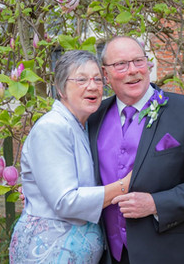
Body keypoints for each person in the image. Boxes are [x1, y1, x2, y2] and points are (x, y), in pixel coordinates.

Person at [87, 36, 184, 264]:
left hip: (170, 252)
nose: (133, 70)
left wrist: (156, 204)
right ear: (105, 75)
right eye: (121, 64)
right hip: (109, 254)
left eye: (138, 61)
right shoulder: (93, 117)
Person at [9, 50, 131, 264]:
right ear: (60, 88)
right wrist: (124, 186)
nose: (92, 86)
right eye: (81, 79)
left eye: (97, 79)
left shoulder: (83, 125)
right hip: (47, 252)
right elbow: (66, 201)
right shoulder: (52, 128)